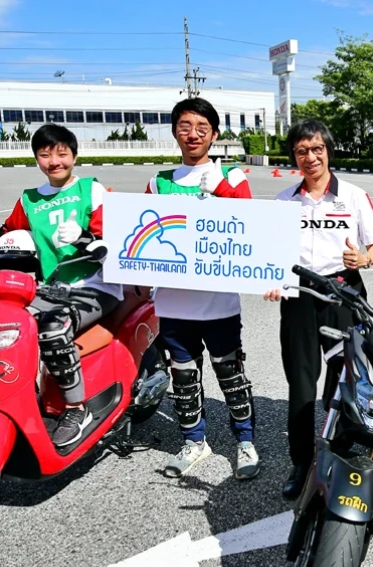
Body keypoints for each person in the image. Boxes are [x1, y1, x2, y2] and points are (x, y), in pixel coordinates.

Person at [265, 119, 373, 499]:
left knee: (344, 377)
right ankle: (301, 461)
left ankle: (337, 450)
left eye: (317, 149)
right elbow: (270, 253)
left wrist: (363, 258)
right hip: (299, 295)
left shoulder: (353, 196)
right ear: (294, 157)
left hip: (343, 294)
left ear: (328, 150)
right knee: (301, 382)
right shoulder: (284, 201)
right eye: (302, 151)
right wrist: (271, 278)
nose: (311, 157)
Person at [144, 97, 260, 480]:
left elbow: (253, 228)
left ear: (214, 134)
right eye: (185, 126)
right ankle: (194, 441)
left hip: (218, 302)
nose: (192, 134)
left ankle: (245, 441)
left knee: (230, 373)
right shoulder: (158, 182)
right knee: (183, 377)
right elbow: (141, 235)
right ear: (175, 131)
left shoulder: (232, 177)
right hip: (173, 302)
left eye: (201, 128)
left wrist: (223, 191)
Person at [0, 123, 121, 448]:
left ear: (74, 156)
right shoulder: (28, 200)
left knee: (53, 328)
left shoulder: (91, 190)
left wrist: (84, 238)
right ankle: (23, 400)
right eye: (45, 154)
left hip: (95, 284)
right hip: (52, 288)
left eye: (62, 154)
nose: (54, 161)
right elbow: (8, 235)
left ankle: (76, 408)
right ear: (36, 159)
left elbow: (113, 238)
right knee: (6, 328)